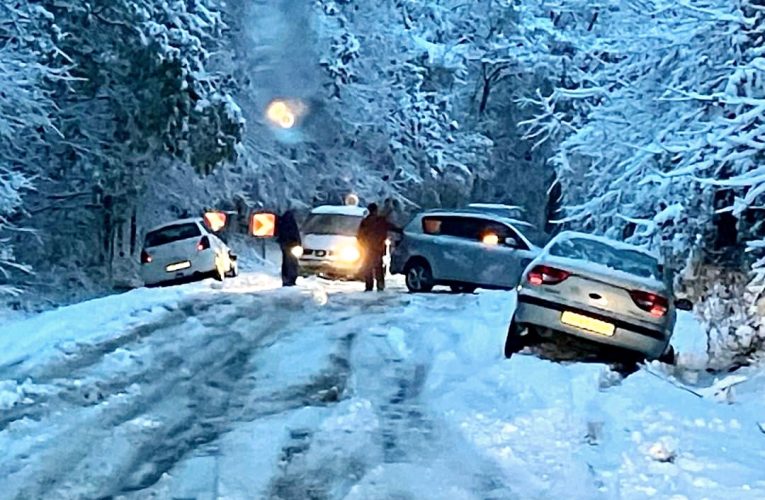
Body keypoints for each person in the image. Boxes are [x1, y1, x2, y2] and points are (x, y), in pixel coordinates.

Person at [357, 203, 395, 292]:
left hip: (367, 249)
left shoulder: (365, 221)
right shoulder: (381, 221)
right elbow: (392, 227)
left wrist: (361, 246)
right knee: (378, 267)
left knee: (367, 268)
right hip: (378, 248)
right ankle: (380, 285)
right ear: (376, 210)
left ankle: (369, 286)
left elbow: (359, 235)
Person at [276, 209, 301, 286]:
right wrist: (298, 243)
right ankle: (290, 279)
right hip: (291, 245)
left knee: (287, 262)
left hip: (286, 244)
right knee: (291, 262)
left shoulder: (282, 222)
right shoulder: (290, 222)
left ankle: (287, 278)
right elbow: (295, 234)